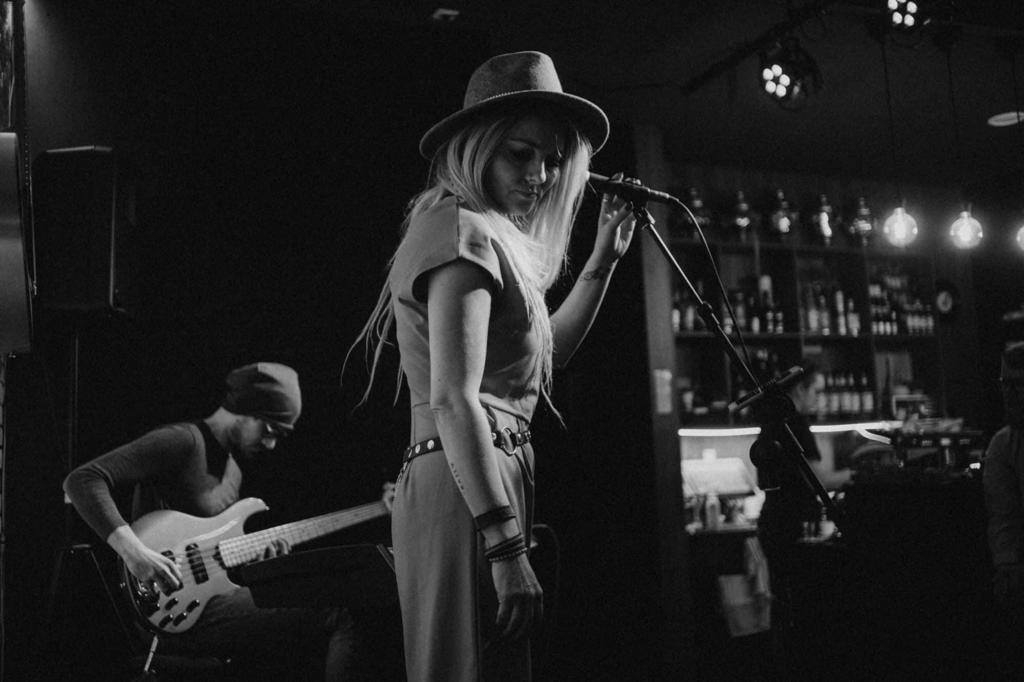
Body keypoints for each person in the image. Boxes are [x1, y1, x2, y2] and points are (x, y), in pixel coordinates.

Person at [349, 51, 636, 681]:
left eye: (553, 160)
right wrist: (506, 547)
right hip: (466, 481)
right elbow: (454, 399)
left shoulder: (480, 231)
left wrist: (602, 262)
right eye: (520, 153)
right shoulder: (461, 230)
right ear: (478, 147)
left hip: (481, 479)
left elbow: (540, 362)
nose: (541, 175)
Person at [63, 362, 356, 681]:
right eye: (269, 429)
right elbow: (82, 480)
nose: (271, 444)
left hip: (209, 604)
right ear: (245, 410)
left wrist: (258, 562)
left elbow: (215, 566)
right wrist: (135, 554)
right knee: (342, 610)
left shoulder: (233, 472)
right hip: (168, 613)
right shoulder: (181, 441)